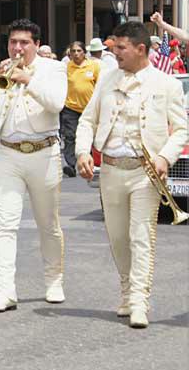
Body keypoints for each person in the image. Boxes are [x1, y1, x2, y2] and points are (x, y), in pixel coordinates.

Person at [76, 21, 187, 328]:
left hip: (145, 174)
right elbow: (87, 121)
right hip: (111, 170)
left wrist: (165, 156)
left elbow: (180, 130)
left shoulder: (168, 84)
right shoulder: (107, 79)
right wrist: (83, 151)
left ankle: (139, 301)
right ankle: (126, 289)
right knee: (117, 236)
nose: (115, 53)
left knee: (141, 236)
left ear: (141, 49)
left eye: (120, 48)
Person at [0, 19, 67, 313]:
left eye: (24, 42)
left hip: (44, 153)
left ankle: (53, 281)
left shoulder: (53, 69)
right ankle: (5, 291)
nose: (17, 48)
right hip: (8, 154)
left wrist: (28, 80)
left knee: (48, 224)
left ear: (36, 45)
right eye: (13, 42)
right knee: (5, 224)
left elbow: (57, 104)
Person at [61, 41, 100, 178]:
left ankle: (88, 162)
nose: (76, 54)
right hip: (70, 107)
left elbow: (99, 86)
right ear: (70, 53)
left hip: (89, 108)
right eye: (73, 51)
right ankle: (71, 165)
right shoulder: (66, 67)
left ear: (84, 53)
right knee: (70, 136)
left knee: (90, 136)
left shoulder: (94, 66)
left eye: (79, 51)